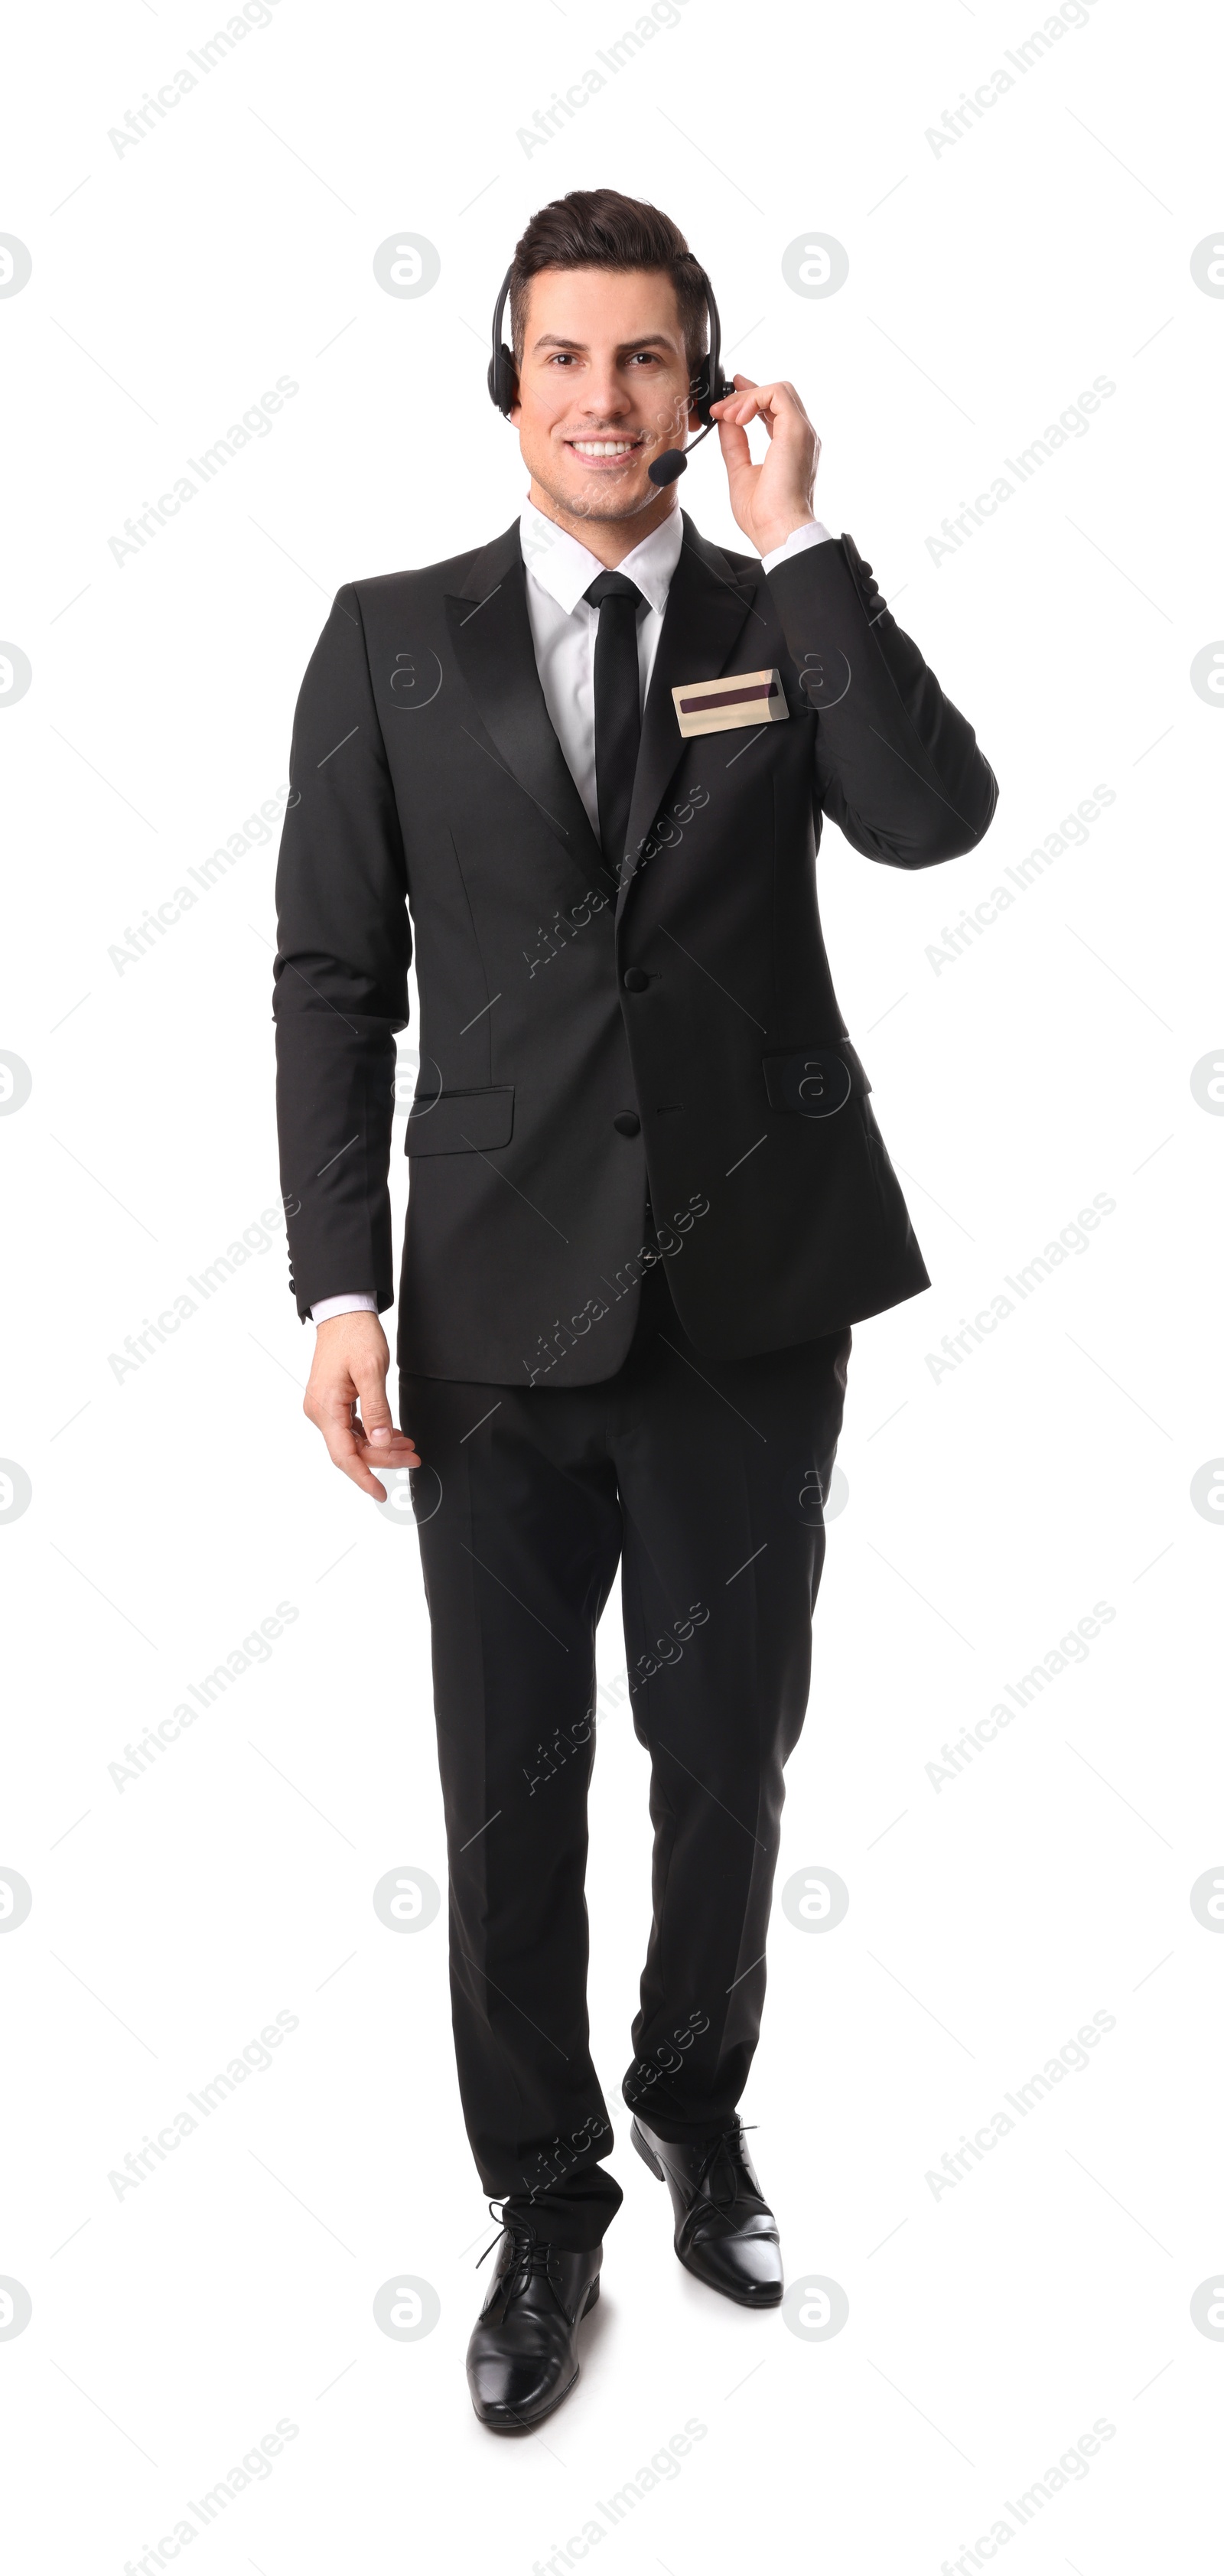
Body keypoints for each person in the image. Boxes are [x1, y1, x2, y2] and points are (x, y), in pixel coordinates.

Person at [273, 187, 997, 2433]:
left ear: (706, 392)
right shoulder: (389, 639)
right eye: (565, 357)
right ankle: (545, 2201)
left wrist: (811, 548)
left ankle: (696, 2104)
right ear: (509, 379)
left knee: (725, 1767)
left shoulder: (777, 618)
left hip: (750, 1305)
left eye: (647, 362)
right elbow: (333, 976)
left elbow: (933, 817)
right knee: (507, 1788)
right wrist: (331, 1289)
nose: (605, 398)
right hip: (483, 1324)